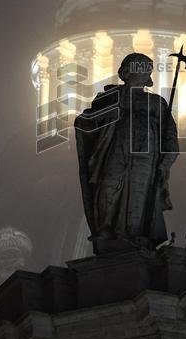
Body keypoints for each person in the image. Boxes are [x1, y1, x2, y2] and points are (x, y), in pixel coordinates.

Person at [75, 53, 178, 251]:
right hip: (115, 147)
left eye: (145, 70)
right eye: (137, 69)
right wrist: (108, 113)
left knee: (140, 192)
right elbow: (87, 121)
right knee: (108, 185)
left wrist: (165, 162)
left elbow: (170, 136)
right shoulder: (109, 97)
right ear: (125, 72)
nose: (141, 74)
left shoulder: (157, 103)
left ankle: (134, 234)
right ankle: (105, 228)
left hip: (146, 154)